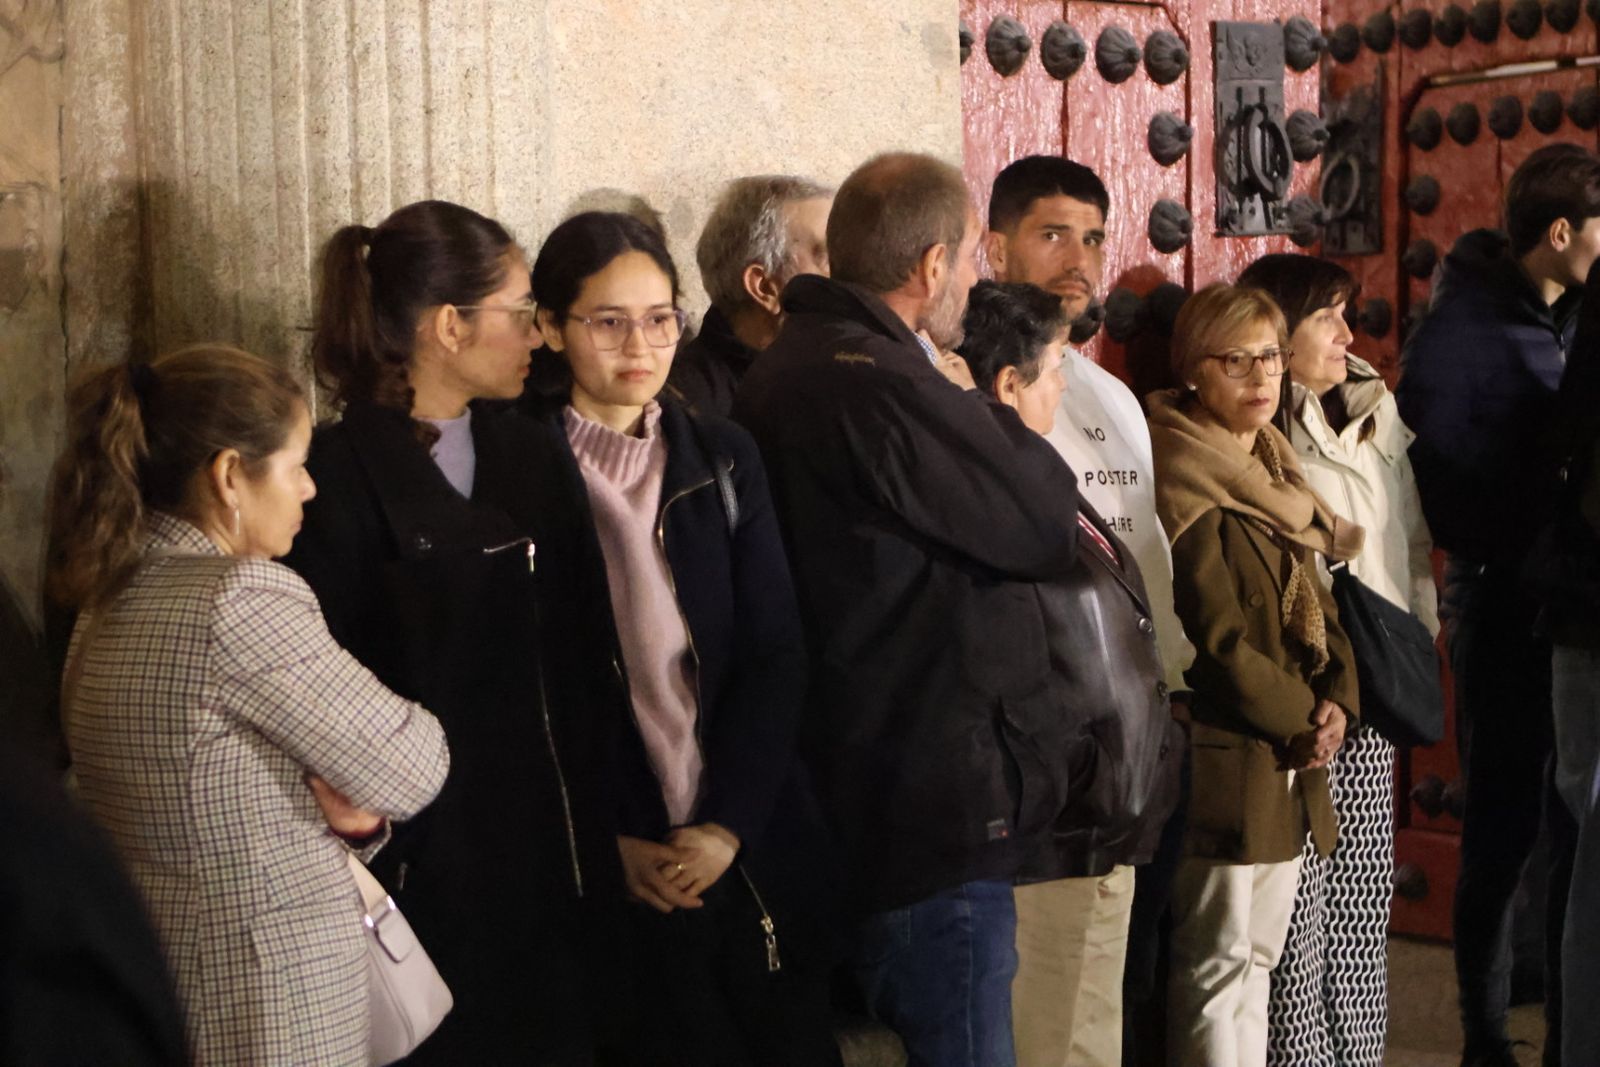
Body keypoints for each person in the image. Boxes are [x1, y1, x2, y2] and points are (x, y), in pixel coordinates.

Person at [734, 151, 1082, 1067]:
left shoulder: (794, 360)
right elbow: (1042, 520)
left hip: (862, 782)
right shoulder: (885, 383)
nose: (974, 278)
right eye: (968, 257)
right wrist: (981, 409)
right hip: (925, 803)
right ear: (932, 265)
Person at [46, 345, 449, 1063]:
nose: (310, 489)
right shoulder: (240, 598)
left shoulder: (110, 592)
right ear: (230, 475)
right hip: (268, 1004)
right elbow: (413, 767)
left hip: (168, 982)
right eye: (296, 466)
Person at [285, 199, 617, 1064]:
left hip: (548, 855)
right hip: (422, 867)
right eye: (518, 311)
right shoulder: (331, 476)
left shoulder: (533, 451)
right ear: (448, 326)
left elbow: (586, 649)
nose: (538, 335)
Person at [521, 210, 841, 1065]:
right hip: (605, 857)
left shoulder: (722, 457)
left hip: (738, 837)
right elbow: (528, 691)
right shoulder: (518, 469)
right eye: (608, 321)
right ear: (550, 326)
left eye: (660, 318)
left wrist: (726, 825)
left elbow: (775, 653)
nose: (640, 345)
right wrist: (604, 840)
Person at [986, 154, 1193, 1067]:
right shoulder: (975, 396)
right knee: (1045, 1019)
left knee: (1106, 1007)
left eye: (1095, 238)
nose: (1079, 259)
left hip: (1139, 742)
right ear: (994, 247)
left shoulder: (1107, 392)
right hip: (1051, 766)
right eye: (1053, 234)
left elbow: (1144, 561)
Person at [1397, 142, 1600, 1067]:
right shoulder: (1468, 328)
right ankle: (1484, 1034)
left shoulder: (1575, 314)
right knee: (1504, 822)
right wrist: (1525, 534)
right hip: (1501, 595)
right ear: (1560, 233)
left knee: (1574, 829)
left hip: (1566, 599)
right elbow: (1437, 475)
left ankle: (1566, 1032)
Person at [1149, 285, 1363, 1067]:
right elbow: (1217, 639)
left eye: (1270, 356)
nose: (1261, 376)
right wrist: (1306, 715)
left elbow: (1319, 602)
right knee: (1216, 963)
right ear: (1192, 370)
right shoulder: (1184, 473)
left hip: (1289, 754)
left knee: (1260, 960)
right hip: (1231, 749)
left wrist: (1339, 699)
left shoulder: (1271, 466)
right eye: (1235, 360)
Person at [1240, 253, 1438, 1067]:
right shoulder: (1266, 427)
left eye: (1346, 315)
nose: (1347, 335)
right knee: (1300, 914)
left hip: (1375, 685)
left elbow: (1410, 537)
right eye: (1326, 317)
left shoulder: (1373, 407)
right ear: (1278, 329)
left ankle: (1356, 1056)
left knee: (1359, 901)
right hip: (1312, 694)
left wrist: (1417, 639)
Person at [666, 174, 832, 415]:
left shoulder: (845, 367)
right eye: (828, 258)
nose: (852, 276)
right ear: (764, 288)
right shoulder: (688, 415)